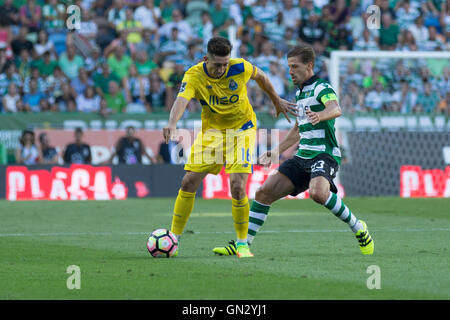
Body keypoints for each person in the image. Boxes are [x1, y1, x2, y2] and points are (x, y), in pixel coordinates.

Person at [213, 45, 374, 257]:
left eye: (294, 67)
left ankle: (358, 228)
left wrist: (321, 115)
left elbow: (336, 108)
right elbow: (298, 130)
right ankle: (243, 243)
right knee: (263, 193)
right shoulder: (300, 93)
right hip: (302, 156)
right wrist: (275, 151)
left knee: (317, 193)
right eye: (289, 67)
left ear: (309, 66)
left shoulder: (321, 87)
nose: (290, 71)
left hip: (324, 153)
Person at [162, 37, 297, 258]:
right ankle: (173, 239)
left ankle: (242, 244)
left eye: (225, 64)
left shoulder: (239, 67)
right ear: (206, 59)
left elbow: (261, 76)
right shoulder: (194, 75)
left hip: (242, 131)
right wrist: (172, 123)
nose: (222, 69)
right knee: (188, 182)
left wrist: (276, 100)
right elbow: (181, 100)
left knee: (236, 186)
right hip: (212, 133)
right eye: (217, 64)